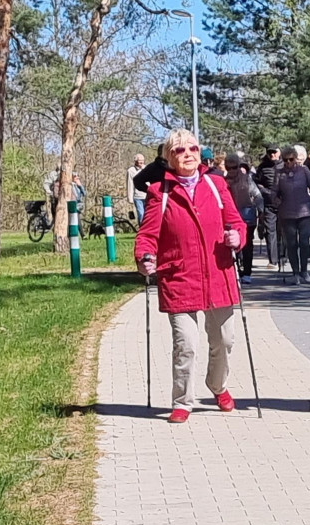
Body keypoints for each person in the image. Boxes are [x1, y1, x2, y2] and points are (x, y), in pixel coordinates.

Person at [134, 128, 248, 425]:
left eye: (193, 149)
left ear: (200, 153)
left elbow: (235, 222)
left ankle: (217, 386)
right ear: (169, 158)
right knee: (186, 343)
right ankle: (182, 400)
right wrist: (144, 258)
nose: (187, 154)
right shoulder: (160, 192)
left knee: (224, 340)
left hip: (217, 273)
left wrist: (238, 237)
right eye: (179, 151)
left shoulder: (216, 185)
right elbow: (147, 235)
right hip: (179, 276)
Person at [273, 144, 310, 284]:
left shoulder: (304, 171)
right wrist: (275, 200)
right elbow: (274, 192)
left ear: (295, 159)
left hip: (305, 212)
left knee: (304, 243)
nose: (288, 162)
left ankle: (304, 271)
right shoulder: (279, 173)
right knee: (291, 244)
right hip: (287, 213)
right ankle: (295, 273)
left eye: (291, 159)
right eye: (285, 160)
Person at [224, 153, 264, 285]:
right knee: (234, 245)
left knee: (247, 244)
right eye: (228, 168)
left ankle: (247, 272)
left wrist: (261, 210)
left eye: (234, 167)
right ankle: (238, 270)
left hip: (247, 214)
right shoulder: (223, 182)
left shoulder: (247, 179)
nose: (231, 171)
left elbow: (257, 195)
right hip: (230, 216)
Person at [254, 145, 282, 267]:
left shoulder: (285, 165)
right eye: (269, 152)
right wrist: (266, 192)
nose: (272, 155)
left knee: (283, 231)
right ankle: (273, 260)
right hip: (268, 204)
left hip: (283, 204)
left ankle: (283, 256)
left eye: (274, 152)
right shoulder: (262, 167)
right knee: (270, 232)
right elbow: (256, 183)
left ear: (279, 152)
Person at [126, 154, 147, 224]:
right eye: (139, 161)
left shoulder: (147, 169)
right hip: (137, 197)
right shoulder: (131, 171)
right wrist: (130, 198)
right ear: (135, 161)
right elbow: (130, 184)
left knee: (147, 215)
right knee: (141, 214)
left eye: (142, 161)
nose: (141, 162)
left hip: (147, 196)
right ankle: (142, 231)